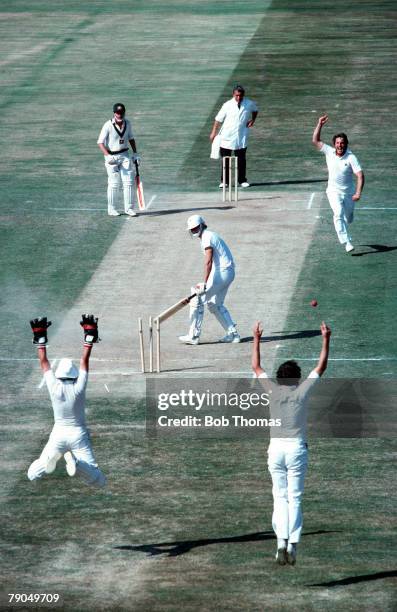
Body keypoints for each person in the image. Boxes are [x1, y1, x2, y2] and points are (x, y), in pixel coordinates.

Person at [252, 320, 331, 565]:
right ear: (296, 379)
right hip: (297, 449)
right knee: (294, 497)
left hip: (276, 450)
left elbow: (256, 366)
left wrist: (256, 338)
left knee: (279, 497)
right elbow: (321, 367)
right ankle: (293, 545)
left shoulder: (273, 391)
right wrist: (326, 339)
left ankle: (280, 543)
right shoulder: (301, 391)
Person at [27, 315, 106, 488]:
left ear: (59, 375)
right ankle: (77, 465)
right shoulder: (79, 386)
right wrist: (89, 337)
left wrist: (40, 337)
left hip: (58, 434)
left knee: (32, 475)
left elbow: (44, 361)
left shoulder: (53, 385)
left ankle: (49, 460)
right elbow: (84, 360)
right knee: (99, 481)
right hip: (78, 435)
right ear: (73, 375)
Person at [178, 215, 240, 345]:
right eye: (192, 230)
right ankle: (233, 334)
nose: (194, 231)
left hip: (222, 273)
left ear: (202, 225)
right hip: (228, 273)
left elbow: (208, 262)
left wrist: (204, 283)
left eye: (196, 228)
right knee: (214, 304)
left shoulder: (207, 237)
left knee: (197, 298)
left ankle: (193, 336)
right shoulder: (209, 235)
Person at [312, 115, 365, 253]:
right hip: (333, 191)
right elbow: (315, 140)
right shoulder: (329, 152)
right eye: (337, 143)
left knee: (349, 217)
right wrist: (320, 124)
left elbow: (360, 175)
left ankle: (348, 219)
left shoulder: (351, 157)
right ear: (334, 144)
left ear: (346, 144)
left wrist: (358, 193)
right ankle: (346, 242)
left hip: (349, 193)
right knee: (338, 213)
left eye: (342, 143)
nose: (339, 145)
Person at [210, 84, 258, 188]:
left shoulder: (249, 103)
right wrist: (213, 132)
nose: (238, 98)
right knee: (226, 159)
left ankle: (242, 180)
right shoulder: (227, 105)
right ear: (233, 94)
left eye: (240, 96)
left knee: (241, 159)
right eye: (236, 95)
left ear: (243, 95)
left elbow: (255, 110)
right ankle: (224, 181)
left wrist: (253, 120)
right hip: (226, 136)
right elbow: (218, 119)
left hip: (241, 136)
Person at [97, 102, 141, 217]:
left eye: (121, 113)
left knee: (129, 183)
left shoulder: (128, 123)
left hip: (124, 154)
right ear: (114, 113)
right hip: (111, 157)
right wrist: (107, 155)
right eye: (117, 113)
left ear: (124, 113)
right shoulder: (107, 125)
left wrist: (135, 153)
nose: (119, 115)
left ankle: (129, 209)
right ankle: (111, 209)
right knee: (114, 184)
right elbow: (100, 142)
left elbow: (131, 138)